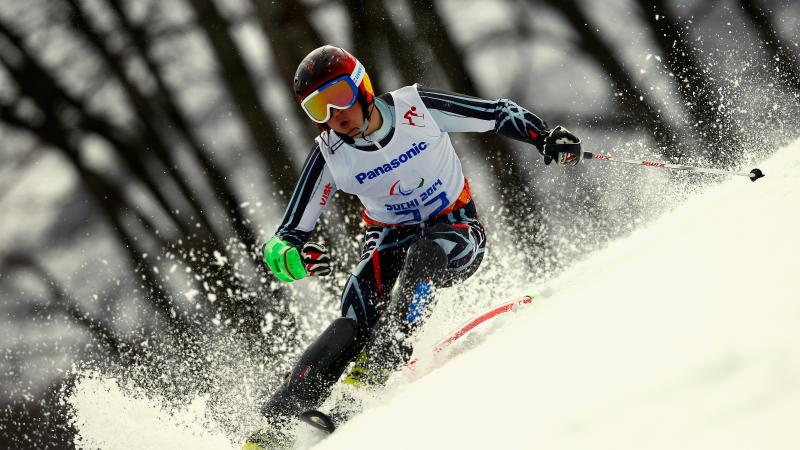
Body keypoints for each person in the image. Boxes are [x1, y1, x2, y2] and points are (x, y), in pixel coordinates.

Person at [244, 45, 581, 449]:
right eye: (319, 108)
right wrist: (293, 258)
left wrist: (544, 137)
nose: (335, 115)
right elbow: (283, 241)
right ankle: (273, 428)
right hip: (389, 239)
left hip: (456, 229)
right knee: (354, 317)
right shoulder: (329, 156)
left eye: (338, 96)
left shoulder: (415, 107)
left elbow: (496, 113)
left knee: (425, 256)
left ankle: (380, 364)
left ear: (361, 85)